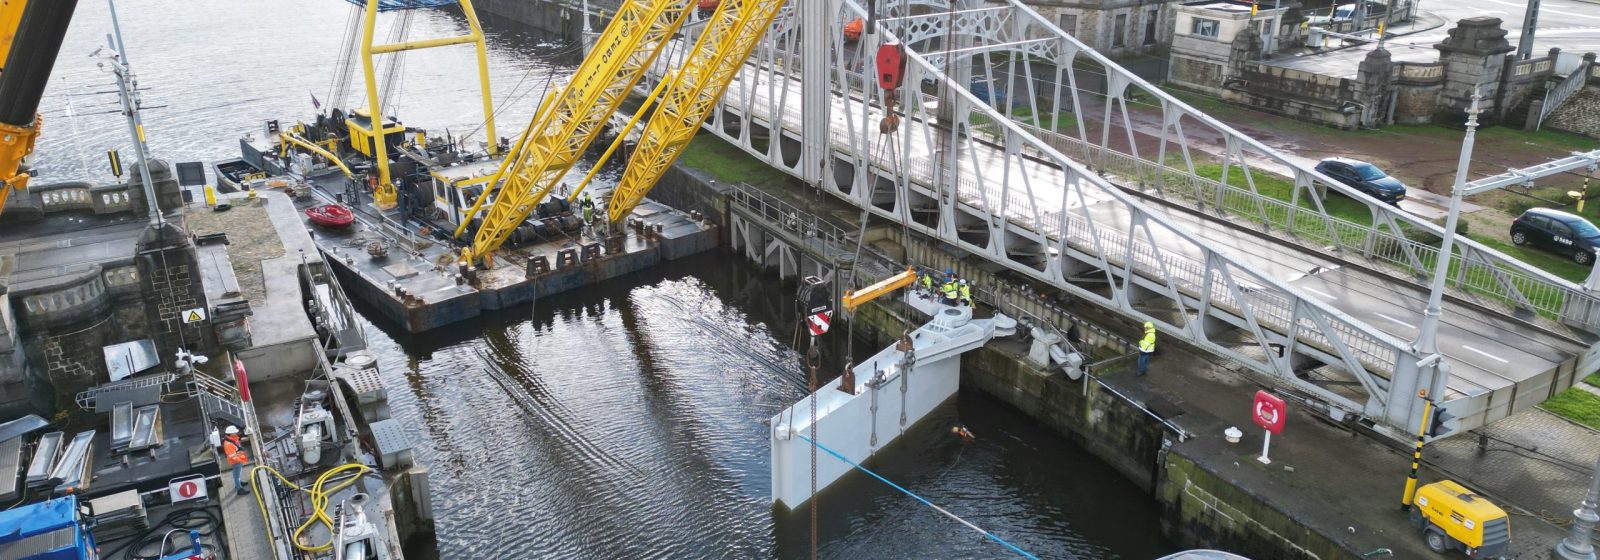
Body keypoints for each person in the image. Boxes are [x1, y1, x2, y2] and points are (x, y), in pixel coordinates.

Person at [222, 425, 250, 495]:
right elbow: (232, 456)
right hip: (236, 462)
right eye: (235, 432)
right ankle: (239, 489)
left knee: (237, 474)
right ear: (230, 434)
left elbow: (236, 446)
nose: (236, 433)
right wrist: (240, 460)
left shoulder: (232, 439)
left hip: (238, 460)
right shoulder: (228, 444)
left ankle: (239, 483)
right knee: (236, 475)